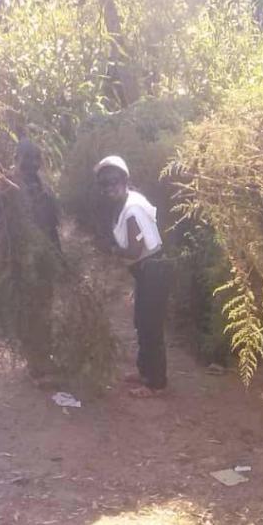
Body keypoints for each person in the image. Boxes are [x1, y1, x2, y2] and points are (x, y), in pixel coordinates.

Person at [94, 155, 170, 398]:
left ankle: (156, 384)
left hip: (153, 271)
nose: (109, 188)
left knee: (151, 327)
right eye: (104, 184)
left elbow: (135, 251)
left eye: (114, 181)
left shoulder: (132, 208)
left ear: (125, 180)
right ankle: (144, 371)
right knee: (142, 322)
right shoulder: (127, 202)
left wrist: (111, 250)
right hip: (147, 271)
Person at [0, 138, 63, 381]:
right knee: (28, 311)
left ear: (40, 161)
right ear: (16, 159)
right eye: (25, 158)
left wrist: (58, 258)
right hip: (19, 260)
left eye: (35, 158)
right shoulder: (6, 187)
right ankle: (36, 365)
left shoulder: (46, 189)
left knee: (45, 308)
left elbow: (53, 226)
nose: (30, 163)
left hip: (44, 260)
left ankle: (45, 356)